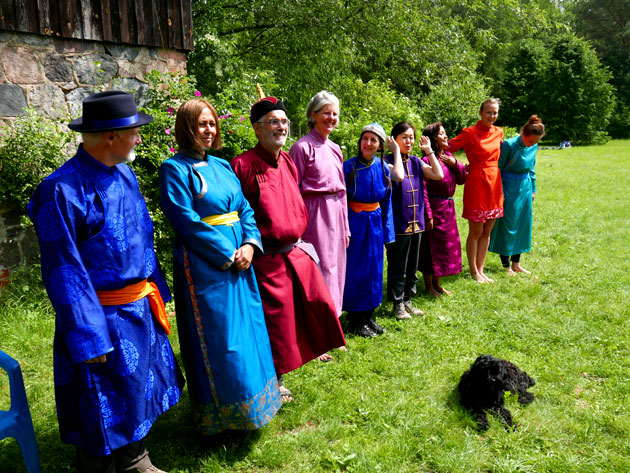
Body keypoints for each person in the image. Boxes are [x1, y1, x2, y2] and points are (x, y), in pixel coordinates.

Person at [27, 91, 184, 473]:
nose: (139, 139)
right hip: (98, 318)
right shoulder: (60, 190)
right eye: (134, 132)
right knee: (99, 403)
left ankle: (136, 460)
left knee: (137, 392)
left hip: (138, 307)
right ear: (111, 136)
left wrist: (157, 296)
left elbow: (140, 238)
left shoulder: (124, 173)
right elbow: (63, 269)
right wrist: (87, 335)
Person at [158, 99, 281, 434]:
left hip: (242, 262)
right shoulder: (174, 170)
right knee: (221, 339)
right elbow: (187, 222)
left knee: (248, 332)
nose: (209, 130)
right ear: (187, 128)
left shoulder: (224, 166)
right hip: (207, 269)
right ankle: (223, 416)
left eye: (212, 124)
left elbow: (245, 210)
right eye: (201, 124)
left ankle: (255, 404)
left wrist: (250, 246)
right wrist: (228, 253)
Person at [231, 96, 346, 402]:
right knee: (275, 325)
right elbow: (236, 216)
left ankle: (290, 367)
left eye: (284, 121)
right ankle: (272, 381)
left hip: (293, 251)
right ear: (257, 129)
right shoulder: (241, 165)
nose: (281, 127)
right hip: (264, 257)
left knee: (315, 307)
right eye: (273, 121)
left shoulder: (288, 161)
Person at [289, 91, 350, 361]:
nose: (331, 118)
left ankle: (333, 329)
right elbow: (293, 190)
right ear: (313, 115)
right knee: (319, 272)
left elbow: (343, 191)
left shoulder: (335, 148)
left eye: (335, 113)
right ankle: (317, 335)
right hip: (314, 215)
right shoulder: (302, 147)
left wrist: (346, 226)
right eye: (326, 112)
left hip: (336, 213)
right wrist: (298, 229)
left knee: (336, 271)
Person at [384, 122, 443, 319]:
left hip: (416, 223)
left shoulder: (417, 161)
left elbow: (438, 174)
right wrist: (395, 153)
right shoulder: (387, 162)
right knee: (398, 265)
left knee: (412, 265)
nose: (408, 141)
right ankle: (397, 303)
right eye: (404, 137)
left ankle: (408, 299)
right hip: (399, 224)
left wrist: (429, 151)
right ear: (394, 140)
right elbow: (398, 176)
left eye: (411, 137)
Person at [342, 123, 395, 336]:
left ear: (380, 146)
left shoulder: (382, 168)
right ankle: (356, 320)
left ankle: (369, 316)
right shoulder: (348, 167)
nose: (368, 143)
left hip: (374, 224)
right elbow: (341, 200)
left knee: (374, 270)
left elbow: (387, 202)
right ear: (360, 142)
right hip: (355, 224)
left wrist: (387, 232)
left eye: (373, 140)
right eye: (365, 139)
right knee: (357, 271)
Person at [448, 98, 504, 283]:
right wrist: (456, 165)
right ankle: (473, 271)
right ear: (481, 113)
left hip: (495, 183)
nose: (492, 116)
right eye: (488, 112)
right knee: (476, 230)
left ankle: (481, 270)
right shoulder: (470, 132)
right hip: (477, 183)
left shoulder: (499, 132)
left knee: (488, 230)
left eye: (495, 112)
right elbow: (448, 147)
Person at [489, 115, 545, 274]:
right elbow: (498, 169)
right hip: (508, 187)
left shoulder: (533, 146)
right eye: (531, 141)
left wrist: (533, 189)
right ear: (524, 135)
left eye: (536, 142)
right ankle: (506, 265)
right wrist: (500, 192)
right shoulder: (509, 144)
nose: (533, 144)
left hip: (525, 188)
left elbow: (531, 169)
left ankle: (516, 263)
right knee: (508, 225)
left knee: (522, 225)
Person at [418, 122, 468, 296]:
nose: (446, 136)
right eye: (442, 133)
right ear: (433, 138)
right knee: (430, 247)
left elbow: (462, 179)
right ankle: (429, 286)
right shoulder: (425, 161)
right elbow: (422, 189)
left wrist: (456, 164)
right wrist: (428, 214)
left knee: (445, 246)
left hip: (448, 209)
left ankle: (437, 284)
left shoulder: (448, 156)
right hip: (434, 207)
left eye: (446, 132)